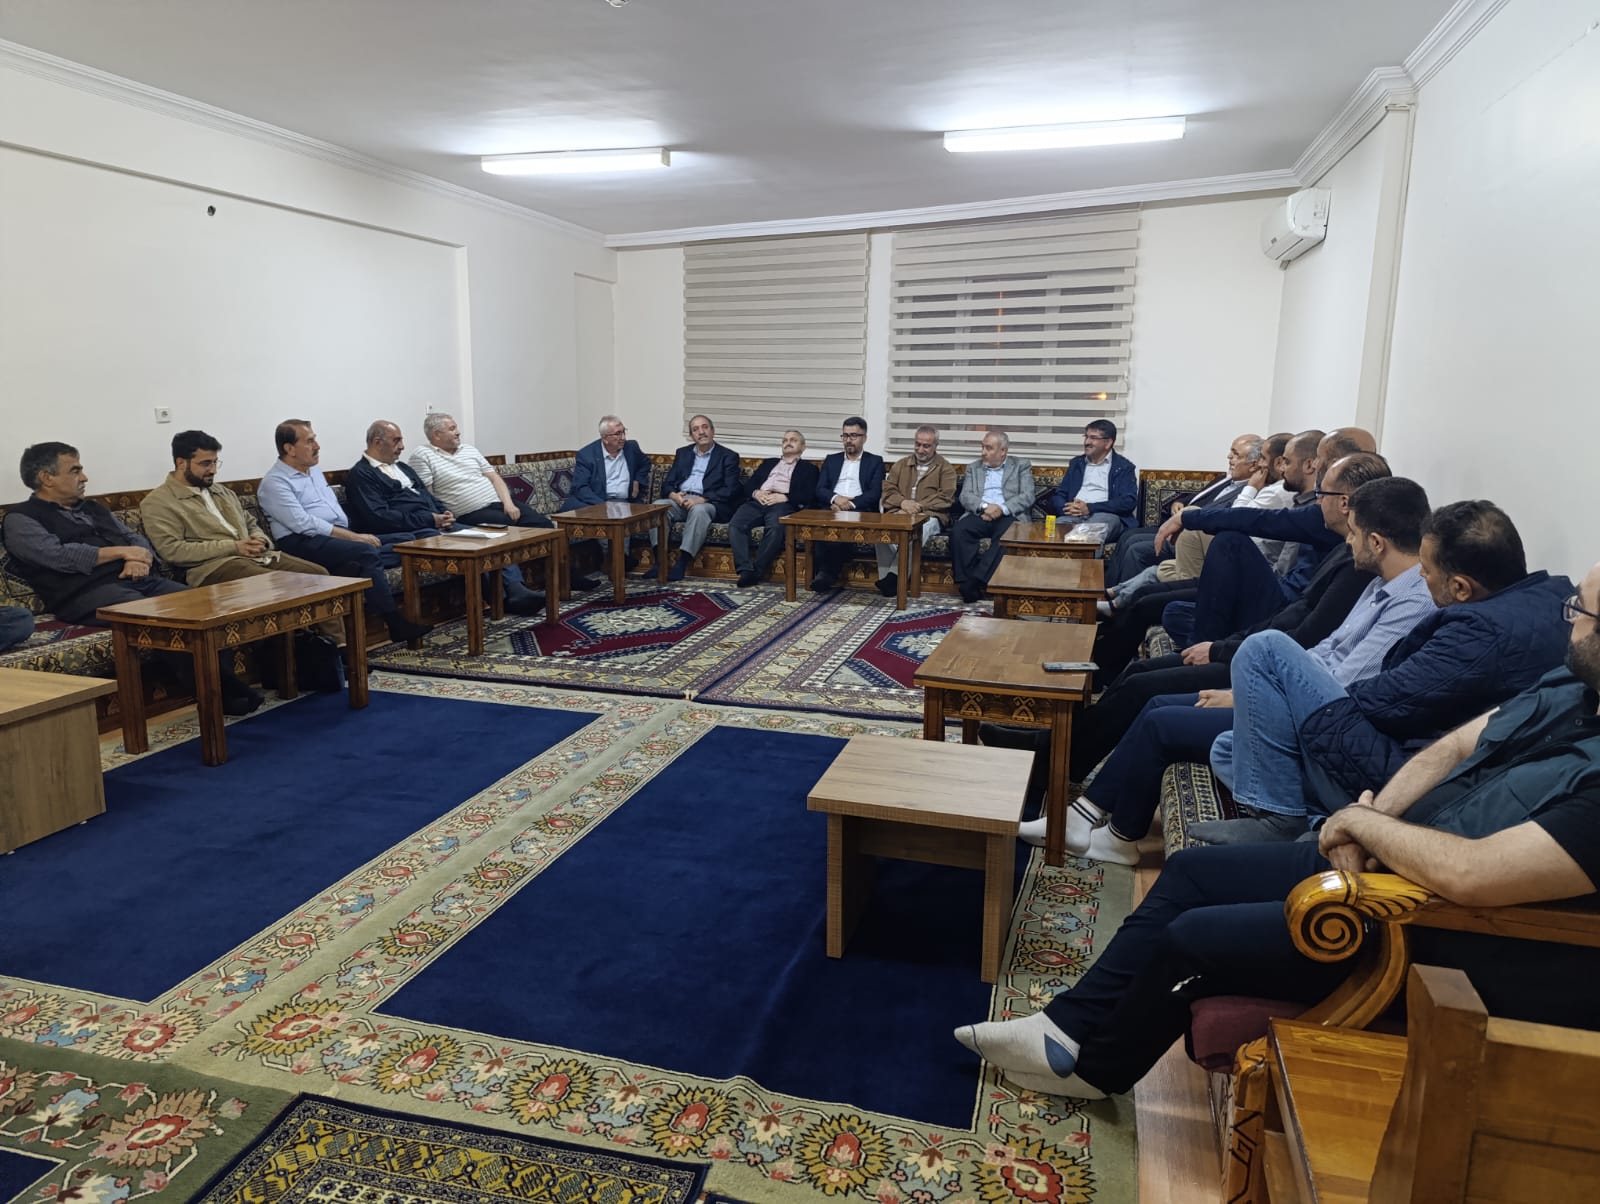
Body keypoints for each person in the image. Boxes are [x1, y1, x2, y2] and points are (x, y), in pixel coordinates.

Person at [954, 557, 1600, 1101]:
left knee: (1193, 936)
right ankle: (1065, 1026)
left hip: (1428, 927)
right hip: (1389, 853)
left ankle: (1097, 1070)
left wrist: (1361, 822)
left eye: (1583, 612)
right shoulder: (1575, 685)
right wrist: (1374, 819)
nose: (1568, 620)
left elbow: (1472, 875)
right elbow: (1454, 746)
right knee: (1190, 873)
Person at [1026, 469, 1436, 863]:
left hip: (1311, 724)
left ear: (1376, 541)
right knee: (1159, 688)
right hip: (1284, 691)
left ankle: (1109, 831)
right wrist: (1248, 687)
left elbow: (1339, 687)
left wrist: (1245, 696)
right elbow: (1324, 650)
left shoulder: (1408, 600)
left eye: (1355, 534)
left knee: (1162, 717)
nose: (1348, 540)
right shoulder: (1380, 582)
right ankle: (1092, 816)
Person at [1201, 498, 1573, 842]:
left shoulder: (1481, 633)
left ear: (1461, 587)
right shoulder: (1550, 597)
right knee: (1228, 748)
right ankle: (1321, 824)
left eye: (1427, 570)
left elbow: (1384, 702)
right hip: (1419, 750)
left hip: (1410, 773)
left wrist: (1298, 701)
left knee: (1265, 649)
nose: (1421, 576)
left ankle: (1279, 822)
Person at [4, 442, 263, 714]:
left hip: (136, 580)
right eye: (75, 471)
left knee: (201, 605)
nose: (84, 477)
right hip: (84, 593)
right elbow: (56, 555)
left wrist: (137, 558)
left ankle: (224, 690)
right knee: (160, 616)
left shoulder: (91, 508)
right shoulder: (20, 519)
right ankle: (222, 697)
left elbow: (134, 538)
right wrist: (121, 552)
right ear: (47, 477)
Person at [139, 429, 345, 649]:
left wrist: (260, 539)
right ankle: (298, 655)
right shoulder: (159, 502)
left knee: (318, 575)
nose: (213, 470)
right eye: (205, 464)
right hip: (212, 568)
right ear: (181, 463)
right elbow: (173, 550)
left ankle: (338, 649)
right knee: (277, 583)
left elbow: (250, 523)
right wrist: (234, 547)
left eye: (215, 462)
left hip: (257, 556)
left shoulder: (222, 492)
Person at [256, 420, 433, 643]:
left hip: (337, 536)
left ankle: (351, 568)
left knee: (408, 540)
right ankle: (394, 623)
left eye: (315, 439)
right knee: (365, 552)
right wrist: (355, 537)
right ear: (289, 448)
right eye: (309, 441)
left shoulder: (314, 471)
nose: (317, 446)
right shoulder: (274, 483)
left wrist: (352, 535)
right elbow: (303, 524)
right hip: (303, 542)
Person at [345, 420, 544, 616]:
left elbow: (428, 496)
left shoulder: (402, 467)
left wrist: (444, 513)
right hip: (412, 532)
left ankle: (516, 589)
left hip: (434, 524)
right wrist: (431, 520)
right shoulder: (362, 474)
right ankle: (501, 600)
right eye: (396, 441)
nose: (402, 446)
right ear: (377, 442)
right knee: (469, 544)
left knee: (488, 537)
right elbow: (380, 517)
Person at [408, 411, 597, 591]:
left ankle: (567, 578)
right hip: (468, 514)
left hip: (498, 504)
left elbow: (495, 478)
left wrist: (508, 503)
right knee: (507, 529)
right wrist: (441, 517)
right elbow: (427, 493)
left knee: (546, 526)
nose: (458, 432)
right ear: (437, 434)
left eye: (456, 427)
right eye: (452, 429)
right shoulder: (423, 455)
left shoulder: (469, 450)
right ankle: (518, 590)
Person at [949, 430, 1036, 603]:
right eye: (982, 447)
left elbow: (1028, 495)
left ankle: (975, 581)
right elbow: (965, 496)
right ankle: (965, 582)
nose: (983, 452)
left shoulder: (1021, 465)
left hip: (1009, 514)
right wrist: (985, 507)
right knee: (959, 531)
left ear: (1003, 451)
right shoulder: (974, 468)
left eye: (988, 448)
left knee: (1006, 537)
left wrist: (1001, 509)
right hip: (981, 513)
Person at [562, 414, 652, 573]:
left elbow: (645, 463)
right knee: (610, 515)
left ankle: (616, 561)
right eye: (617, 434)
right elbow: (580, 487)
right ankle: (618, 560)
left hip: (623, 500)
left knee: (621, 512)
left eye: (623, 431)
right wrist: (603, 505)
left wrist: (638, 480)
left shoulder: (631, 448)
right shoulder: (587, 455)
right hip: (598, 500)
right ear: (605, 438)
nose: (623, 437)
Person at [654, 414, 740, 581]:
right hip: (682, 500)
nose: (701, 432)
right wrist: (674, 496)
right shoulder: (683, 453)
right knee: (658, 506)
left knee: (699, 510)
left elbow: (731, 489)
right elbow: (667, 484)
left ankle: (682, 562)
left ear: (713, 431)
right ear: (691, 435)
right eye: (695, 429)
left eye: (705, 427)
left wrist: (702, 499)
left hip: (709, 503)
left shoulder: (728, 456)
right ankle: (659, 562)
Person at [728, 429, 819, 588]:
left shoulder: (809, 469)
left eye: (793, 440)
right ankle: (745, 570)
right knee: (735, 525)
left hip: (782, 504)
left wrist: (786, 497)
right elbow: (748, 485)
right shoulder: (768, 463)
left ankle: (757, 571)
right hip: (758, 501)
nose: (788, 443)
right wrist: (756, 493)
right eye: (785, 440)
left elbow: (809, 494)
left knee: (776, 528)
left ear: (803, 447)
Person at [876, 425, 957, 598]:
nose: (920, 450)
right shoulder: (901, 465)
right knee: (880, 532)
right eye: (917, 444)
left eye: (926, 446)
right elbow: (887, 491)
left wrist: (917, 507)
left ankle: (893, 579)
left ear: (936, 446)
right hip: (899, 512)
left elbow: (946, 498)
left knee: (918, 532)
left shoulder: (946, 468)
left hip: (930, 516)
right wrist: (903, 503)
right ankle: (886, 580)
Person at [809, 416, 886, 592]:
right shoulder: (832, 460)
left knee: (840, 531)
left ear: (864, 438)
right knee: (821, 528)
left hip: (860, 510)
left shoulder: (875, 461)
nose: (848, 440)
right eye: (845, 435)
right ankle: (823, 574)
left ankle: (826, 575)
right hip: (832, 507)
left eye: (853, 435)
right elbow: (820, 489)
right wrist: (836, 499)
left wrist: (849, 504)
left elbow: (874, 493)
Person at [1041, 420, 1137, 544]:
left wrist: (1089, 508)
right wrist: (1068, 508)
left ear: (1108, 443)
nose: (1087, 442)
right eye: (1086, 437)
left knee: (1093, 530)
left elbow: (1128, 501)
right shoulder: (1077, 463)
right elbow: (1059, 494)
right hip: (1073, 516)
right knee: (1055, 529)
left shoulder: (1123, 467)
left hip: (1105, 515)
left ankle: (1083, 554)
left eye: (1093, 438)